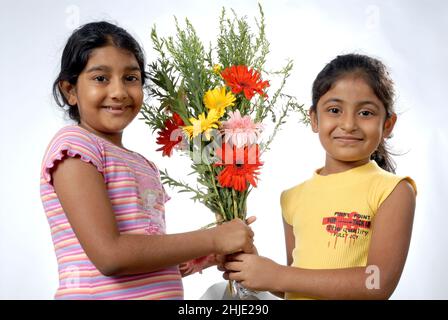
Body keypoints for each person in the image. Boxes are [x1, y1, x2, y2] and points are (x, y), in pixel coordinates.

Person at [40, 21, 255, 300]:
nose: (118, 91)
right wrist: (213, 237)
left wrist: (204, 255)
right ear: (70, 90)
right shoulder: (75, 146)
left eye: (131, 78)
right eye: (100, 78)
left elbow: (144, 255)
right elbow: (111, 255)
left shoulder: (142, 164)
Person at [223, 53, 417, 300]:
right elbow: (295, 285)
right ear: (314, 119)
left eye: (366, 113)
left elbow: (377, 283)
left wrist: (278, 274)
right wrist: (254, 264)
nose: (348, 124)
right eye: (334, 110)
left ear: (388, 124)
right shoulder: (292, 197)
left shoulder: (393, 191)